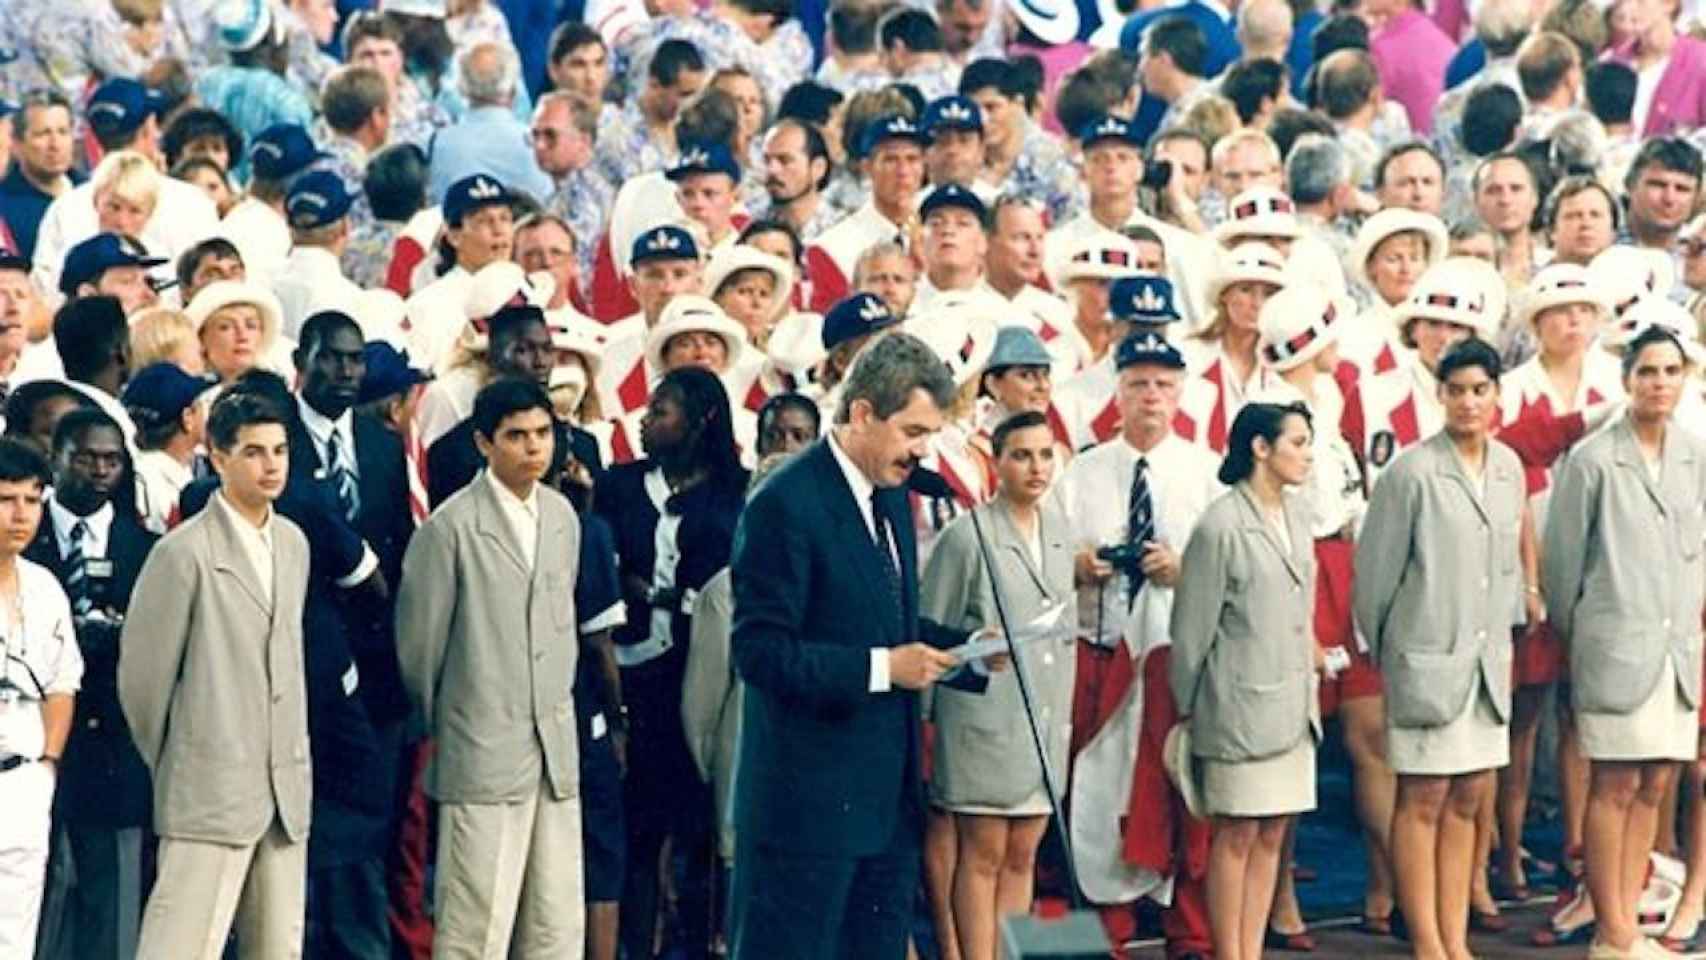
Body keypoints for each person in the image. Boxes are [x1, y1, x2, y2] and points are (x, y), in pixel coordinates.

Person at [728, 332, 982, 957]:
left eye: (931, 434)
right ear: (863, 413)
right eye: (913, 431)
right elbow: (761, 654)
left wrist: (969, 649)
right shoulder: (785, 503)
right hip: (806, 811)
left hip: (885, 809)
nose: (923, 451)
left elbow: (885, 617)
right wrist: (882, 669)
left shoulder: (890, 493)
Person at [395, 377, 586, 957]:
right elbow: (419, 652)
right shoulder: (449, 530)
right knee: (475, 926)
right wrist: (457, 721)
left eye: (542, 434)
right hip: (480, 748)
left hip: (553, 752)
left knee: (555, 926)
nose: (533, 447)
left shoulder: (561, 516)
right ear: (483, 443)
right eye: (516, 436)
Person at [118, 389, 312, 960]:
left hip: (284, 787)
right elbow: (144, 684)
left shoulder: (293, 544)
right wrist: (188, 756)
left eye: (279, 450)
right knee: (180, 945)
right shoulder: (184, 553)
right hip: (207, 785)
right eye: (253, 452)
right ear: (217, 457)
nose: (271, 464)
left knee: (278, 946)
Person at [1354, 337, 1526, 960]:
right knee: (1422, 798)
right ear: (1440, 396)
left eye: (1480, 390)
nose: (1468, 402)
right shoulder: (1411, 471)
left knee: (1470, 799)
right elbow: (1374, 579)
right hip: (1424, 660)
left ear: (1497, 395)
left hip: (1486, 666)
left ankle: (1456, 939)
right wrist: (1394, 649)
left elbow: (1505, 566)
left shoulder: (1507, 466)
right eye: (1456, 390)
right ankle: (1427, 941)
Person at [1543, 324, 1706, 960]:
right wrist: (1588, 636)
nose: (1659, 384)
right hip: (1614, 649)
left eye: (1670, 372)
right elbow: (1562, 569)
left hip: (1676, 654)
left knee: (1655, 784)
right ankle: (1611, 932)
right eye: (1647, 372)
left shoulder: (1695, 455)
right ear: (1625, 380)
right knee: (1613, 785)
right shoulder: (1591, 460)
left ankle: (1629, 926)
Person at [594, 366, 748, 958]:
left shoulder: (736, 493)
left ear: (701, 420)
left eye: (661, 410)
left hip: (701, 677)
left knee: (702, 827)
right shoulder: (620, 485)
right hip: (633, 676)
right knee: (639, 829)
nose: (645, 419)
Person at [920, 409, 1076, 960]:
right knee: (982, 853)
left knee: (1023, 854)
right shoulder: (968, 537)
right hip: (984, 724)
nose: (1035, 467)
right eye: (1021, 455)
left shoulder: (1059, 530)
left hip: (1041, 723)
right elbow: (930, 632)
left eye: (1044, 454)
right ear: (997, 461)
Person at [1169, 400, 1319, 960]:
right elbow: (1191, 637)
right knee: (1235, 836)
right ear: (1261, 447)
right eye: (1297, 442)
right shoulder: (1220, 525)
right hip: (1237, 712)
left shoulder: (1299, 518)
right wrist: (1197, 712)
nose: (1307, 455)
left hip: (1291, 711)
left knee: (1273, 835)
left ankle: (1250, 951)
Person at [27, 409, 157, 960]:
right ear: (55, 461)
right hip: (33, 745)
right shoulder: (24, 542)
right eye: (85, 458)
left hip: (114, 746)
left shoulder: (145, 548)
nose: (101, 471)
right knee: (34, 908)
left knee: (114, 914)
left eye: (112, 460)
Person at [0, 438, 80, 957]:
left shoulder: (45, 586)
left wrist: (47, 763)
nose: (19, 515)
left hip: (24, 777)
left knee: (16, 934)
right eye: (6, 500)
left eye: (32, 500)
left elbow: (61, 683)